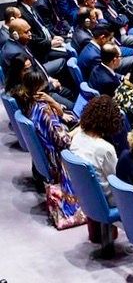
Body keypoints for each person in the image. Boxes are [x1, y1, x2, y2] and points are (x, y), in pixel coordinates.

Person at [17, 67, 84, 226]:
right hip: (57, 157)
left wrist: (54, 104)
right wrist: (79, 131)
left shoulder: (31, 103)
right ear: (40, 87)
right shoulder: (45, 110)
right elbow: (64, 141)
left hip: (49, 151)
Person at [69, 95, 123, 205]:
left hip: (84, 192)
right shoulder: (106, 149)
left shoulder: (77, 134)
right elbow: (117, 180)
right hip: (106, 199)